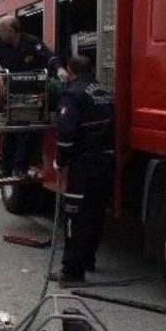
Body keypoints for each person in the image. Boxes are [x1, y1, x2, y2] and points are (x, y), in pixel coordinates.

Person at [52, 55, 114, 284]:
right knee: (95, 214)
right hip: (105, 163)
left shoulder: (72, 94)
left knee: (74, 217)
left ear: (70, 70)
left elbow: (66, 134)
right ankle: (88, 260)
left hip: (84, 166)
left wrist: (60, 160)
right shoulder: (105, 92)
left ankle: (72, 272)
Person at [0, 16, 68, 177]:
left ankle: (20, 169)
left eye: (2, 30)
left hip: (33, 94)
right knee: (10, 132)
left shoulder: (31, 42)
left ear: (12, 31)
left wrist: (59, 69)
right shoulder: (0, 43)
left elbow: (48, 56)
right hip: (11, 93)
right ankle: (5, 168)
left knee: (27, 133)